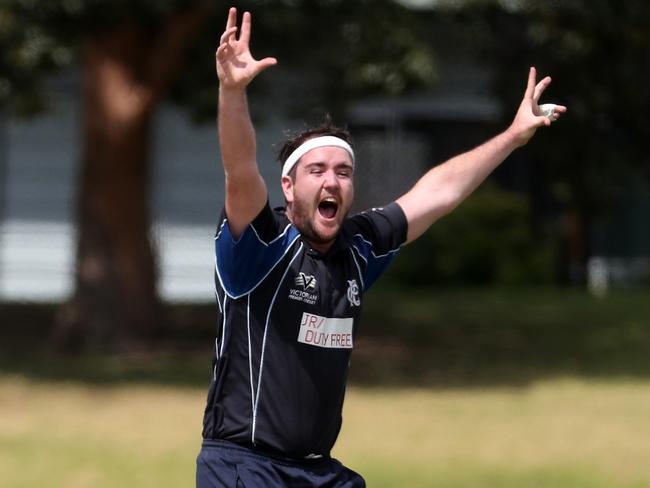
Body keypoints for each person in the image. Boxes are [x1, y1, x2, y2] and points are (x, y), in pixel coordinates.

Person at [196, 7, 566, 488]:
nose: (332, 181)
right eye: (316, 171)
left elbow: (436, 194)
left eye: (343, 171)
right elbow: (241, 170)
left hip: (316, 471)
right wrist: (231, 91)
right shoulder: (262, 246)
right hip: (244, 467)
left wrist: (513, 138)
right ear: (288, 186)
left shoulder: (357, 247)